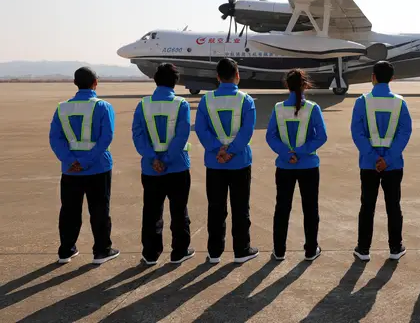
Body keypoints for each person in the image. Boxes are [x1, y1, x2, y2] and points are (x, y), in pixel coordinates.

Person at [48, 67, 119, 264]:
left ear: (75, 83)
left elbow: (55, 138)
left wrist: (71, 161)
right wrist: (86, 161)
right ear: (96, 82)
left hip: (71, 170)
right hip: (98, 168)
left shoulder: (62, 108)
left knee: (69, 210)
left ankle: (66, 250)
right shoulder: (103, 107)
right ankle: (102, 250)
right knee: (99, 209)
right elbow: (106, 138)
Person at [195, 58, 258, 264]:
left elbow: (201, 130)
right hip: (239, 162)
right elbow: (247, 131)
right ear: (237, 75)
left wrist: (217, 150)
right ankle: (241, 249)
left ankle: (214, 252)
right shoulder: (246, 100)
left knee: (215, 207)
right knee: (240, 207)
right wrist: (231, 151)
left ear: (217, 77)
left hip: (215, 163)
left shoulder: (206, 100)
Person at [132, 63, 195, 265]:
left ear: (155, 79)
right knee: (179, 210)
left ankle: (150, 253)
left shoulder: (143, 105)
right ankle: (179, 251)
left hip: (151, 169)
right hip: (177, 166)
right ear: (176, 81)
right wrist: (167, 159)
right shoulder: (181, 104)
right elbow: (182, 134)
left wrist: (154, 158)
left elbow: (138, 135)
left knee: (151, 211)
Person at [351, 61, 413, 262]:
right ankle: (395, 248)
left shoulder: (362, 101)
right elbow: (404, 133)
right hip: (393, 164)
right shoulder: (400, 103)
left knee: (367, 206)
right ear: (392, 79)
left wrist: (372, 156)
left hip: (368, 164)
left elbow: (357, 133)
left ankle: (363, 249)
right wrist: (388, 158)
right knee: (393, 205)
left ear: (373, 77)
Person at [266, 69, 327, 261]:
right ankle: (310, 249)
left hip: (285, 166)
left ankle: (279, 250)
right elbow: (321, 136)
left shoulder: (278, 108)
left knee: (282, 208)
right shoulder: (313, 108)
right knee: (310, 208)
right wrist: (301, 152)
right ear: (305, 84)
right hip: (308, 165)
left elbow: (271, 136)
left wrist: (287, 153)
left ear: (287, 86)